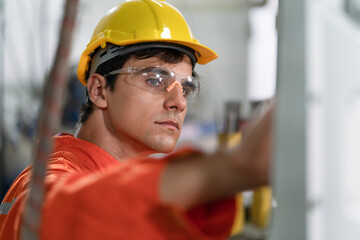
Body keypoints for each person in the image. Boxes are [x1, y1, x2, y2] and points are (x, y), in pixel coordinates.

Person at [0, 0, 273, 239]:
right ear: (99, 90)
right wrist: (227, 170)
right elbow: (53, 212)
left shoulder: (109, 181)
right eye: (155, 79)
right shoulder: (52, 177)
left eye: (186, 87)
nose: (178, 102)